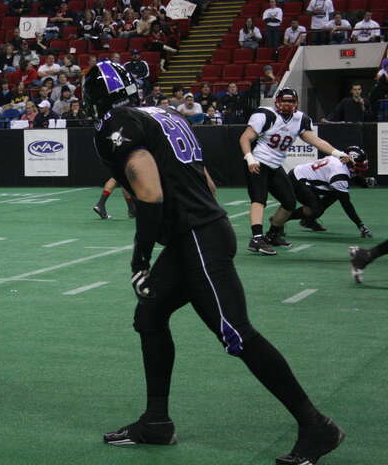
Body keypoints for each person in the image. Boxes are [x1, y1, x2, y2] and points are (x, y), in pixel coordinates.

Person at [84, 61, 345, 465]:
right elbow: (206, 180)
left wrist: (141, 256)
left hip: (197, 237)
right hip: (200, 232)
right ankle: (156, 422)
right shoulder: (163, 113)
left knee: (236, 333)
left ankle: (317, 426)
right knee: (150, 316)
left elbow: (149, 191)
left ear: (95, 97)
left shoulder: (117, 123)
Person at [239, 87, 353, 255]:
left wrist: (337, 153)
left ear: (296, 103)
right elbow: (245, 138)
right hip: (258, 162)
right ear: (277, 101)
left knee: (289, 202)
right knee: (259, 199)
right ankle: (256, 238)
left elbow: (315, 141)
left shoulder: (300, 119)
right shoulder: (266, 115)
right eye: (284, 100)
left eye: (290, 101)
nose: (287, 104)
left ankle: (272, 234)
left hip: (275, 166)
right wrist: (249, 158)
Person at [286, 147, 372, 236]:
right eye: (359, 164)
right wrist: (360, 225)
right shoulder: (339, 174)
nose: (362, 166)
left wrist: (364, 182)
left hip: (307, 177)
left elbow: (351, 173)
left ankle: (308, 220)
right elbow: (346, 204)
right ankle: (281, 219)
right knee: (316, 208)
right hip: (297, 179)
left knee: (335, 194)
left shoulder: (341, 157)